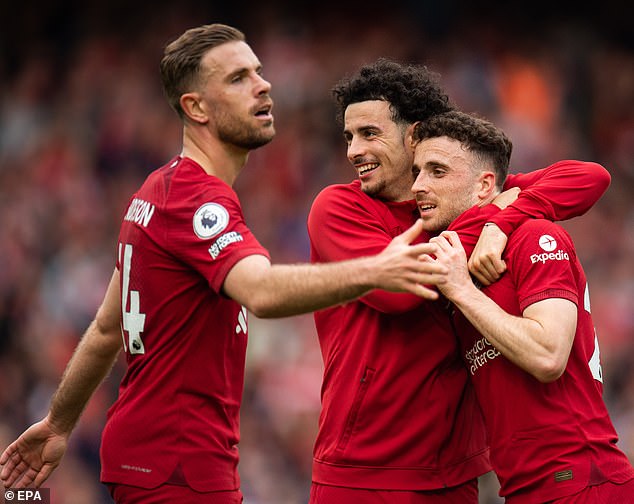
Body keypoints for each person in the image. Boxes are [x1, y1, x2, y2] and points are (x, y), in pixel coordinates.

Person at [0, 24, 450, 504]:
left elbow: (109, 329)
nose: (263, 84)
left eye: (258, 71)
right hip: (178, 465)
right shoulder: (196, 199)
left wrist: (57, 423)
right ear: (195, 108)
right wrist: (378, 270)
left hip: (156, 459)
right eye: (238, 78)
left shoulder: (158, 189)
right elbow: (259, 291)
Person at [306, 59, 613, 503]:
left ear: (414, 136)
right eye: (349, 137)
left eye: (369, 134)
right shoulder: (338, 207)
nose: (354, 150)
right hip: (362, 472)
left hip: (453, 476)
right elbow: (397, 291)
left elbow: (590, 178)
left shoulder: (448, 199)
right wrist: (496, 217)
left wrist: (503, 223)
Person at [410, 110, 634, 503]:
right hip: (525, 489)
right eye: (417, 172)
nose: (418, 186)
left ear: (484, 186)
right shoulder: (457, 258)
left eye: (437, 171)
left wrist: (465, 287)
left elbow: (548, 356)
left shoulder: (533, 236)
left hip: (581, 481)